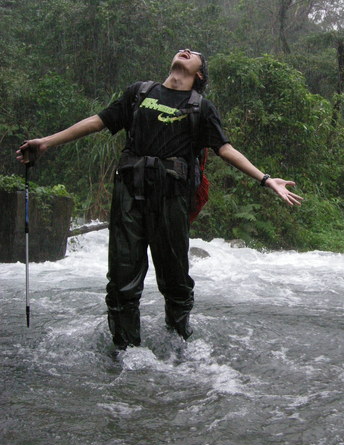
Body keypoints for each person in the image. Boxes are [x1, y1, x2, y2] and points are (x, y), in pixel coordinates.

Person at [17, 49, 303, 350]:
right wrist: (46, 142)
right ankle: (125, 353)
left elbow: (225, 149)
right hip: (129, 193)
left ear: (199, 74)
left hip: (171, 198)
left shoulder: (201, 108)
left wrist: (267, 179)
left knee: (175, 279)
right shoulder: (140, 93)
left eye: (195, 55)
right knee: (121, 280)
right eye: (185, 50)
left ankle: (178, 344)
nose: (187, 51)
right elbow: (98, 121)